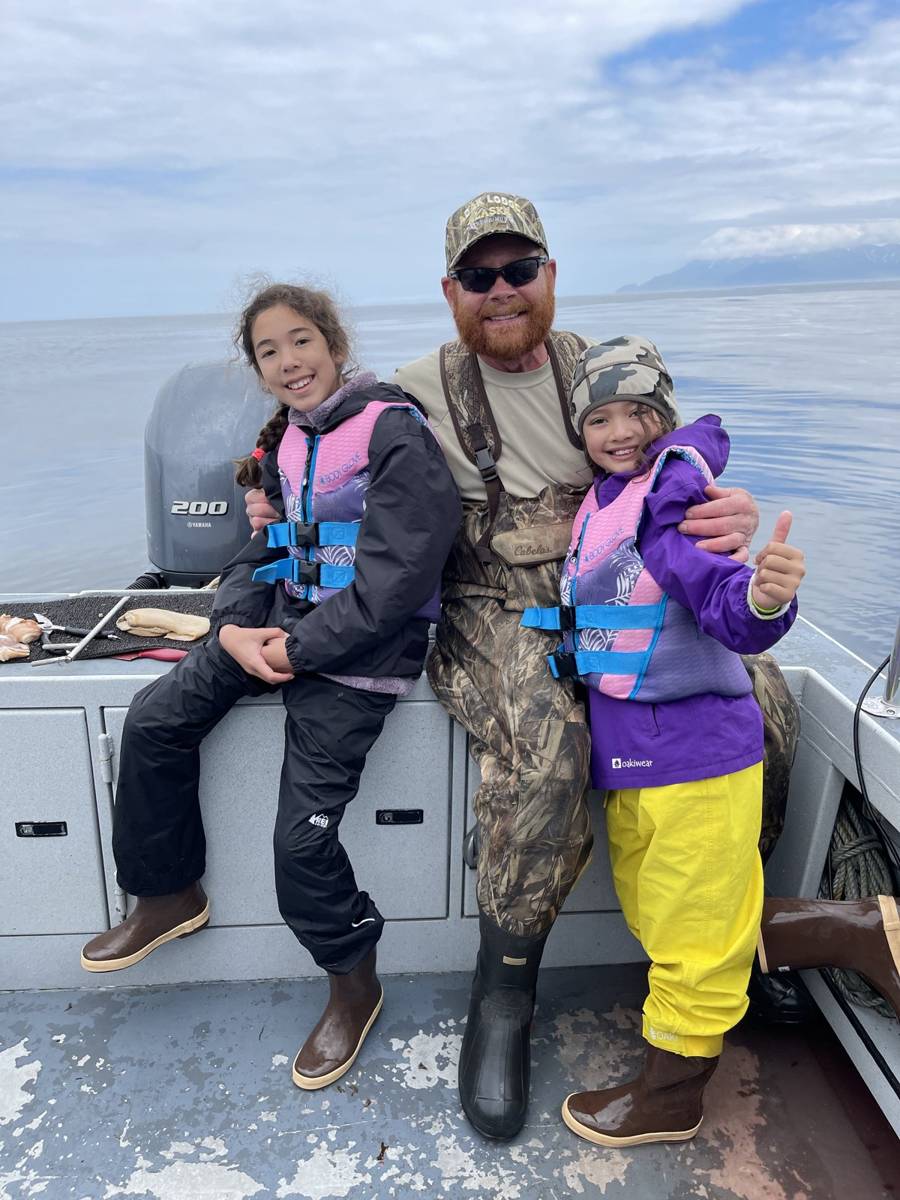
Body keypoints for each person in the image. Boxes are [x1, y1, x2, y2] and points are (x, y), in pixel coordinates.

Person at [245, 193, 801, 1139]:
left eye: (517, 271)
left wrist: (728, 511)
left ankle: (748, 950)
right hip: (492, 603)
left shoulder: (602, 370)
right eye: (478, 276)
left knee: (768, 712)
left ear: (548, 276)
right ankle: (504, 994)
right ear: (451, 291)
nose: (500, 292)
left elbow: (677, 464)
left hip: (622, 585)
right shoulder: (415, 388)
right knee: (544, 754)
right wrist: (257, 490)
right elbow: (306, 429)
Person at [81, 283, 461, 1092]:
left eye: (301, 342)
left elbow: (396, 583)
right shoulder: (287, 440)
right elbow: (262, 553)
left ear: (333, 343)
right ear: (256, 368)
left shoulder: (393, 434)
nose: (289, 362)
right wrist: (232, 627)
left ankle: (353, 984)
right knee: (154, 721)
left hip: (360, 656)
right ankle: (168, 893)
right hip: (277, 634)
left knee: (302, 840)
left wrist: (297, 647)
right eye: (268, 351)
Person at [520, 336, 805, 1146]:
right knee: (663, 911)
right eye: (599, 417)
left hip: (696, 756)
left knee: (688, 928)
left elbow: (722, 601)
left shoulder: (668, 502)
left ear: (665, 417)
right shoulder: (607, 498)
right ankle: (853, 930)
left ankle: (673, 1096)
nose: (618, 431)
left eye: (637, 413)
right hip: (635, 752)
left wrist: (763, 596)